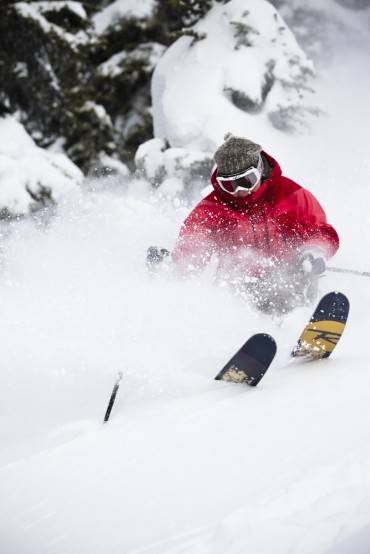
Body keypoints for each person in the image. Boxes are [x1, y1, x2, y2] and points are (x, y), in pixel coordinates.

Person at [148, 133, 339, 315]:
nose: (239, 191)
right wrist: (170, 268)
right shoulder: (212, 210)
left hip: (290, 278)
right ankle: (244, 337)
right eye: (229, 185)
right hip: (239, 286)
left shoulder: (289, 195)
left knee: (290, 289)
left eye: (247, 181)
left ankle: (299, 322)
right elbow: (191, 252)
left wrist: (315, 251)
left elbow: (321, 231)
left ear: (260, 170)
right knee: (235, 298)